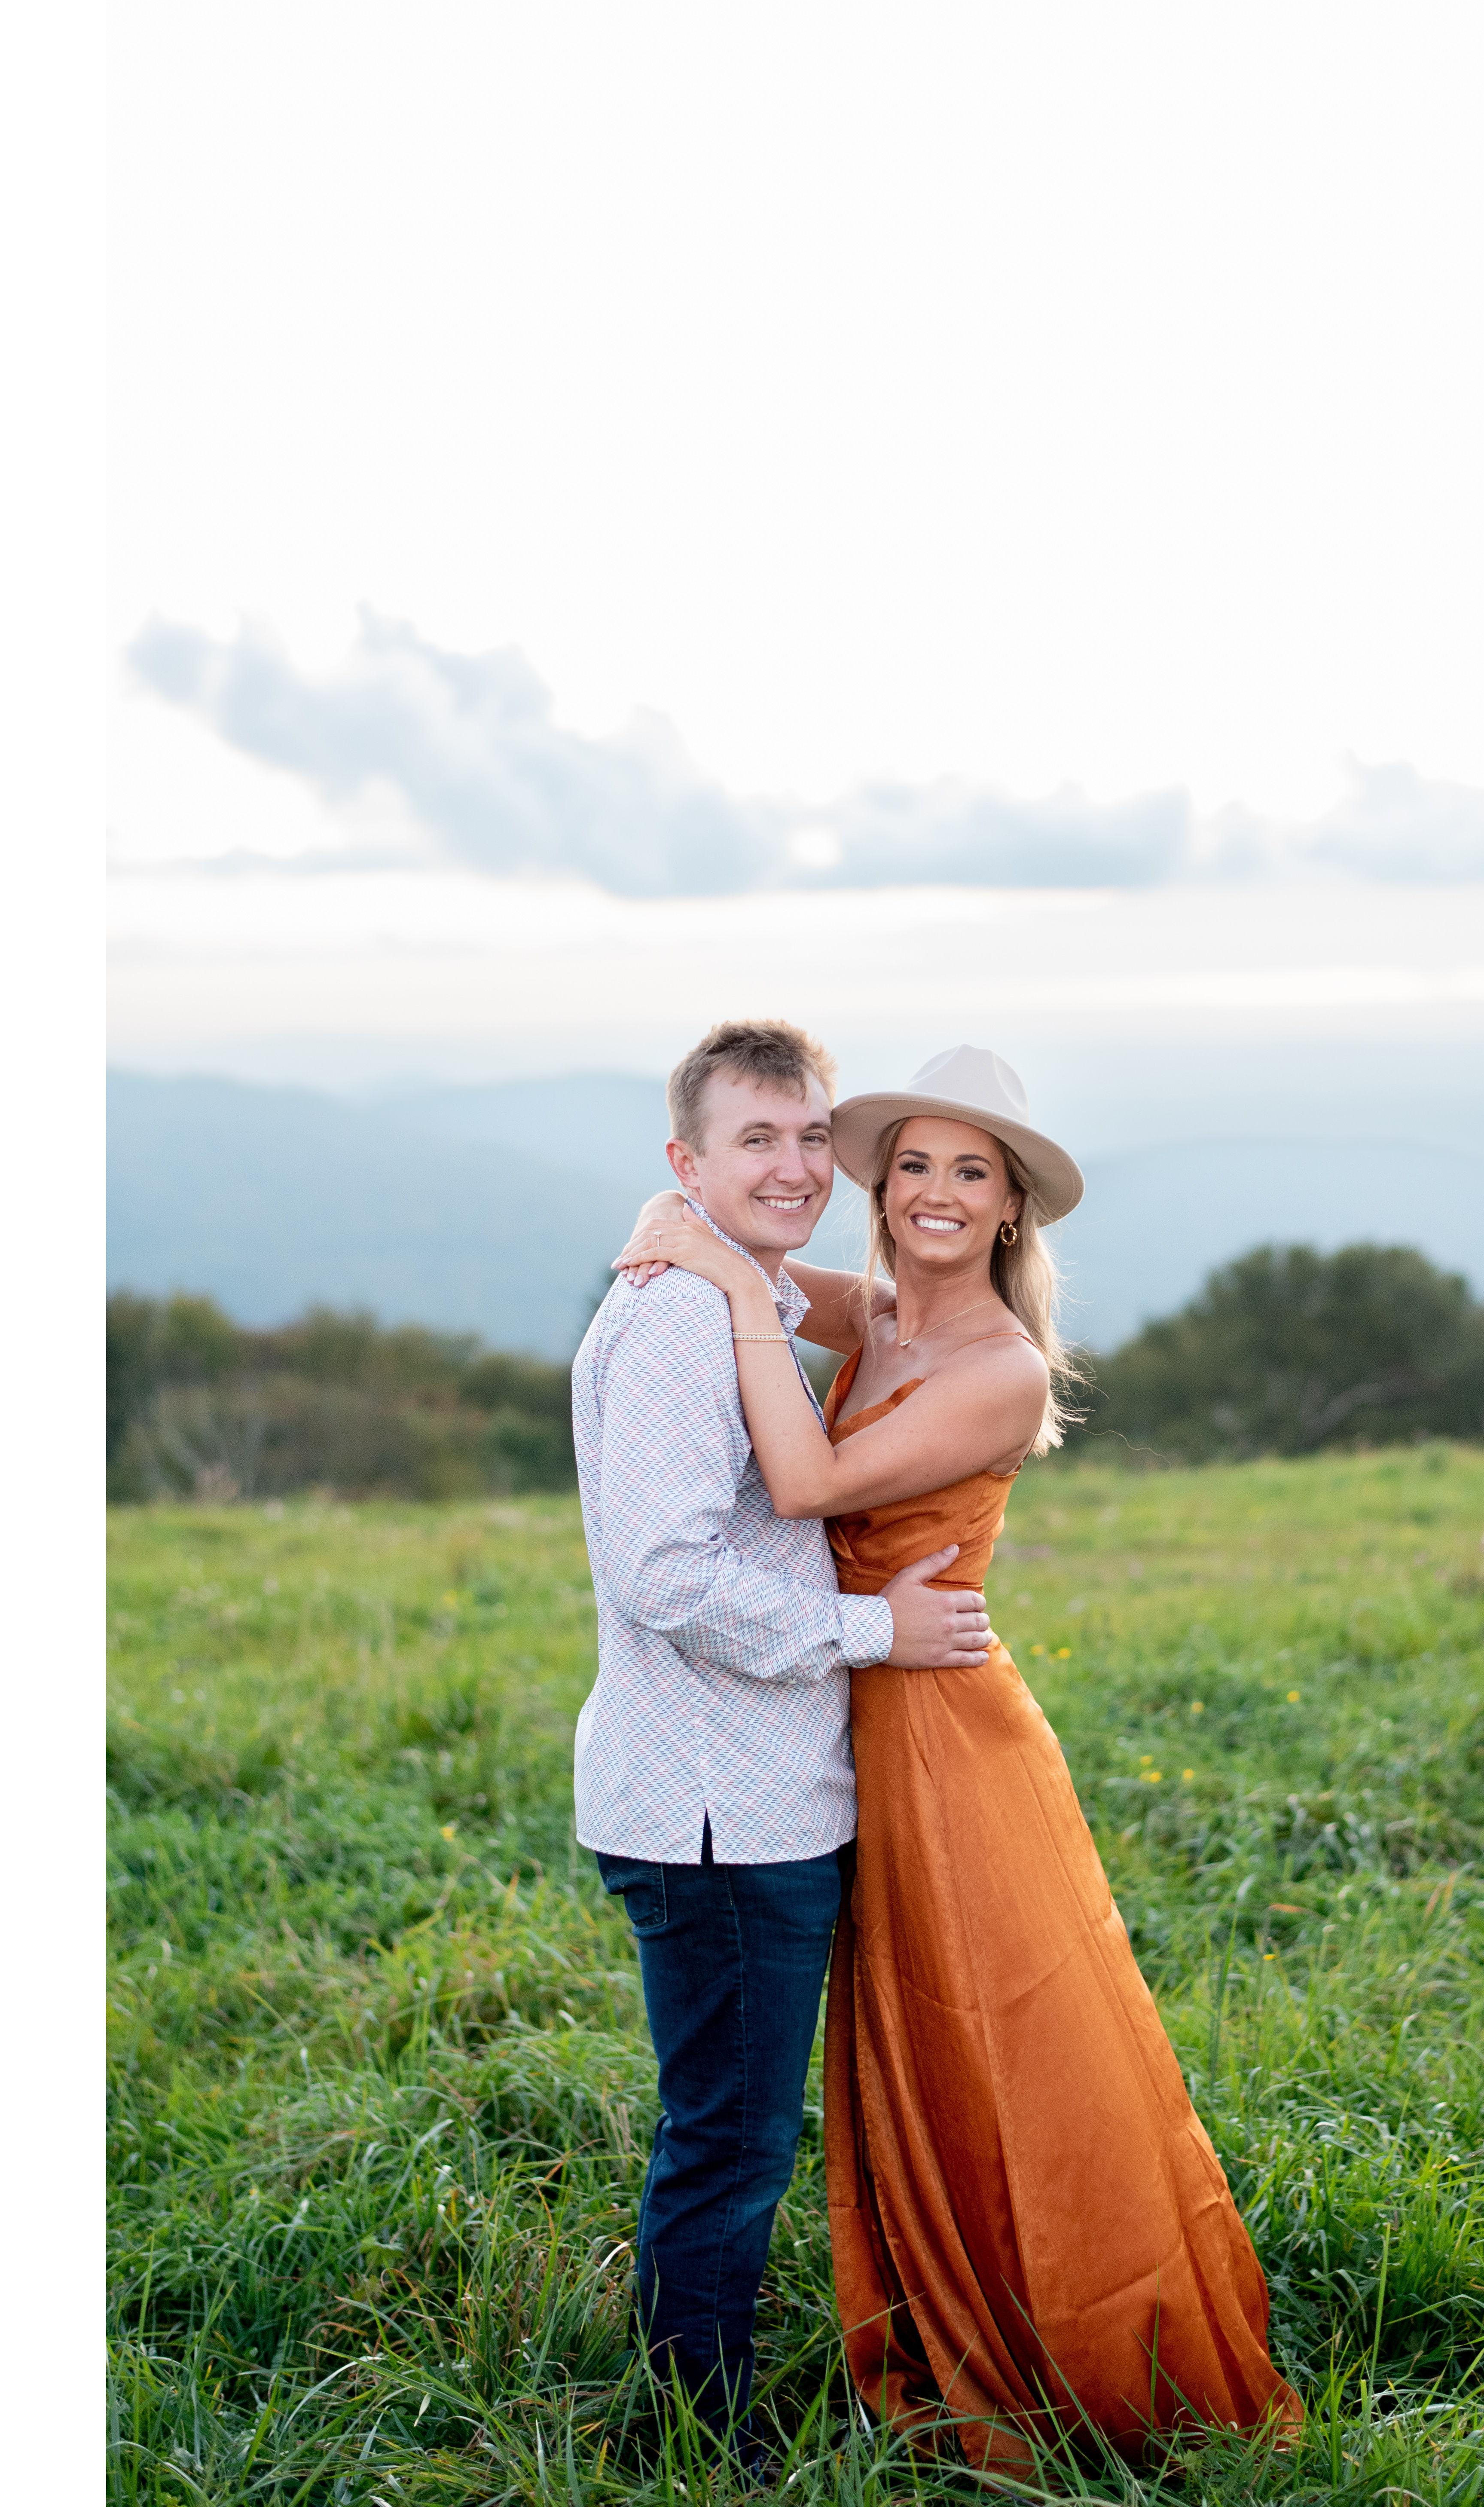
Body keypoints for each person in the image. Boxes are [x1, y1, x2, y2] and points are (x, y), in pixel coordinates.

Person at [613, 1043, 1299, 2471]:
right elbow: (750, 1255)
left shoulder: (994, 1362)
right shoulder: (885, 1317)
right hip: (853, 1704)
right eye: (912, 1163)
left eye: (968, 1173)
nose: (933, 1192)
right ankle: (943, 2293)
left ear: (1009, 1211)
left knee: (997, 2035)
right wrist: (679, 1231)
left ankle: (1083, 2333)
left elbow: (802, 1482)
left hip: (939, 1727)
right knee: (912, 2044)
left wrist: (733, 1280)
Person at [568, 1020, 998, 2461]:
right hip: (715, 1811)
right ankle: (698, 2435)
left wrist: (718, 1249)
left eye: (815, 1137)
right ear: (690, 1161)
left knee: (734, 2124)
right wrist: (880, 1635)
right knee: (732, 2140)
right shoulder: (694, 1314)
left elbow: (867, 1313)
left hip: (750, 1796)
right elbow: (667, 1578)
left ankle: (700, 2389)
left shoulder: (735, 1283)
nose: (799, 1164)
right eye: (758, 1139)